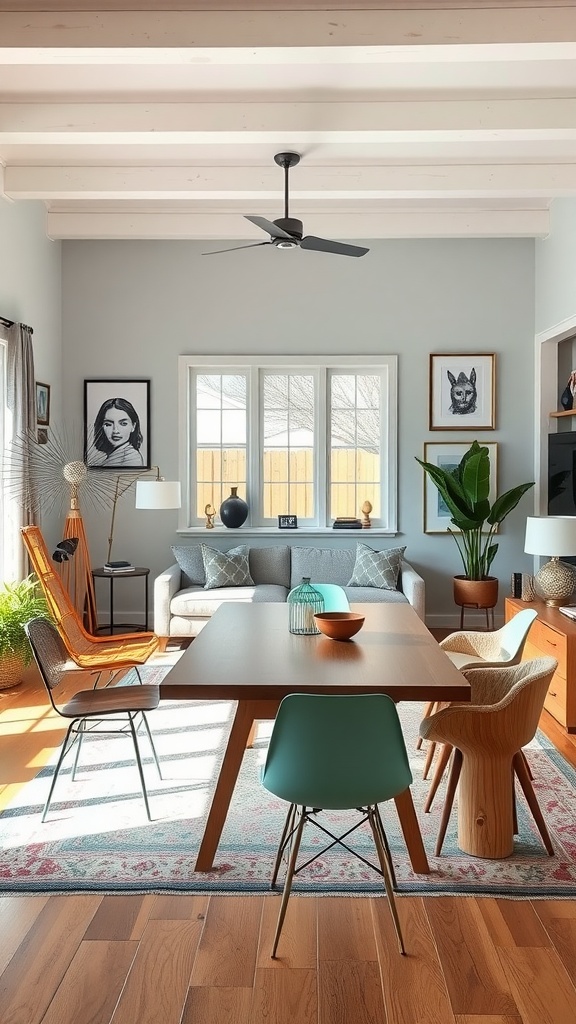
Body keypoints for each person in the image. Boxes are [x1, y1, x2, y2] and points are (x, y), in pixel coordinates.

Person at [92, 397, 144, 467]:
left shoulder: (131, 458)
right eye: (108, 424)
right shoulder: (114, 455)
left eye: (123, 424)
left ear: (133, 426)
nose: (115, 431)